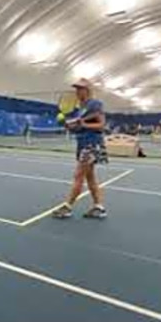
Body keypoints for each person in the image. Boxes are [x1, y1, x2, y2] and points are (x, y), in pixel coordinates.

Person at [52, 78, 108, 219]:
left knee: (78, 175)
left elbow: (101, 125)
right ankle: (99, 207)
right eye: (76, 88)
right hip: (83, 143)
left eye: (80, 88)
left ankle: (67, 207)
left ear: (87, 90)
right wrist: (68, 125)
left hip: (92, 144)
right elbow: (78, 128)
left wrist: (83, 124)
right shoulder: (80, 109)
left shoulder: (94, 104)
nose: (77, 91)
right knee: (90, 177)